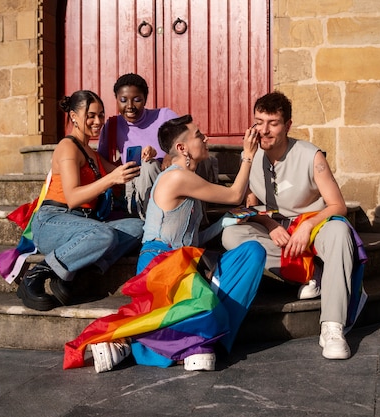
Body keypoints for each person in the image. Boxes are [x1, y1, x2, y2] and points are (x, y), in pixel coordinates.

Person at [63, 115, 265, 372]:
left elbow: (193, 241)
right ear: (182, 148)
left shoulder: (189, 179)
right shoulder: (176, 177)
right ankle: (141, 341)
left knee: (253, 252)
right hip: (160, 265)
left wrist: (223, 223)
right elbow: (235, 194)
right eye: (198, 135)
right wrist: (248, 154)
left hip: (184, 261)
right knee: (207, 311)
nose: (205, 138)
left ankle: (200, 338)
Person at [221, 91, 367, 360]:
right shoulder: (252, 156)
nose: (264, 130)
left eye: (273, 123)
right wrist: (268, 223)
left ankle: (333, 327)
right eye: (258, 121)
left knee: (340, 231)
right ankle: (310, 273)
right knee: (231, 234)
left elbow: (338, 206)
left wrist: (308, 224)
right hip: (278, 230)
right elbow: (247, 205)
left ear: (287, 125)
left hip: (313, 228)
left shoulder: (311, 156)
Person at [17, 90, 145, 311]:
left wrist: (145, 160)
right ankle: (36, 275)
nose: (98, 121)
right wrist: (110, 179)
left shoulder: (91, 152)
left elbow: (120, 174)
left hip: (84, 224)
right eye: (91, 115)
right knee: (103, 234)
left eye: (101, 115)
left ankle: (81, 274)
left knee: (139, 227)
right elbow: (73, 197)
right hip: (54, 222)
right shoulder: (68, 147)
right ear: (74, 116)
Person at [97, 73, 218, 219]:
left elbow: (193, 141)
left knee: (196, 157)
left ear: (145, 99)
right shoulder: (113, 125)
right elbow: (100, 160)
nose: (130, 106)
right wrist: (127, 169)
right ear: (116, 99)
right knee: (148, 166)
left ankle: (197, 218)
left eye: (137, 100)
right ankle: (153, 222)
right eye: (123, 100)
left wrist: (170, 155)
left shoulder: (164, 115)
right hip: (139, 185)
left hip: (173, 178)